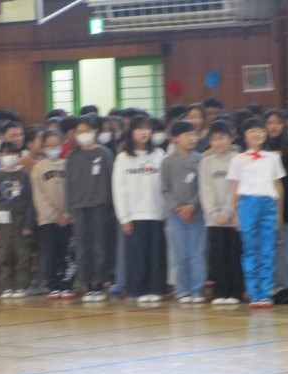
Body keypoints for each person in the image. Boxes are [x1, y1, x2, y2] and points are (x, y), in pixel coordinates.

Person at [228, 118, 286, 308]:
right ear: (245, 135)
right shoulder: (238, 159)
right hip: (247, 204)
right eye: (252, 131)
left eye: (260, 131)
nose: (257, 134)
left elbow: (278, 186)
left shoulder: (273, 158)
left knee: (267, 249)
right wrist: (235, 213)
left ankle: (266, 293)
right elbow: (235, 188)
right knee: (250, 249)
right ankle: (254, 293)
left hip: (268, 204)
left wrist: (279, 212)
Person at [112, 115, 167, 304]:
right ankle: (137, 289)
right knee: (137, 255)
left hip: (156, 212)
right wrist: (124, 217)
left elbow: (165, 185)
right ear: (131, 132)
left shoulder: (159, 154)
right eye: (139, 128)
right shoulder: (123, 158)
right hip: (134, 214)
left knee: (156, 253)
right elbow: (119, 189)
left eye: (147, 128)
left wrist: (165, 211)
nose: (144, 132)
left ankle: (156, 288)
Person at [65, 115, 115, 302]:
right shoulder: (72, 156)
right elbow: (68, 184)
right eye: (79, 131)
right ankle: (86, 283)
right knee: (82, 247)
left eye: (87, 130)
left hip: (100, 206)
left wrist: (111, 206)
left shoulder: (104, 153)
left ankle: (99, 282)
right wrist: (69, 208)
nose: (83, 134)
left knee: (99, 246)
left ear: (95, 131)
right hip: (79, 207)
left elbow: (111, 181)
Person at [161, 120, 206, 303]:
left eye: (194, 134)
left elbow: (203, 187)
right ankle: (182, 290)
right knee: (179, 254)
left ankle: (197, 290)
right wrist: (178, 208)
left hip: (197, 215)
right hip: (176, 216)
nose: (192, 138)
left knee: (197, 253)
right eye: (187, 135)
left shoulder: (201, 160)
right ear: (175, 138)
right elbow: (165, 189)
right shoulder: (167, 162)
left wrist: (193, 206)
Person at [199, 120, 243, 305]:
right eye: (214, 139)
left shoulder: (238, 159)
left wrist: (228, 211)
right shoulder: (206, 162)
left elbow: (237, 188)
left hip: (234, 217)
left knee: (234, 254)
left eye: (222, 138)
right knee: (217, 256)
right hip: (214, 219)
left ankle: (235, 292)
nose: (218, 142)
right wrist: (214, 212)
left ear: (231, 138)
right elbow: (205, 189)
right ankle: (220, 292)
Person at [0, 142, 36, 299]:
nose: (9, 157)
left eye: (12, 153)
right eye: (5, 153)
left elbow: (30, 201)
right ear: (0, 156)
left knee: (22, 254)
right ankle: (6, 286)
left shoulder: (23, 175)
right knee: (3, 254)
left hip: (20, 219)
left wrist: (28, 223)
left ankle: (22, 285)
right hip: (2, 222)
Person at [30, 129, 75, 300]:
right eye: (48, 145)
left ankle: (67, 284)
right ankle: (52, 284)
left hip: (67, 218)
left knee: (67, 253)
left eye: (55, 144)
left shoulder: (67, 165)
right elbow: (39, 196)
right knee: (50, 253)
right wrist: (55, 214)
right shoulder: (38, 168)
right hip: (47, 219)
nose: (52, 147)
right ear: (43, 147)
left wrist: (67, 213)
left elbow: (73, 191)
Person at [264, 109, 288, 292]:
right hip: (264, 205)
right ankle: (270, 284)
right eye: (269, 123)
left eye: (277, 122)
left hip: (286, 206)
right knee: (268, 248)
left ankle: (286, 285)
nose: (273, 126)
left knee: (286, 249)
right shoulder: (260, 149)